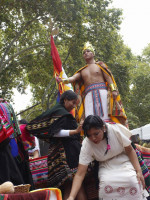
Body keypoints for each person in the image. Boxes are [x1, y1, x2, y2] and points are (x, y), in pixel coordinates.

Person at [67, 115, 148, 200]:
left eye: (96, 134)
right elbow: (80, 174)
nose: (93, 138)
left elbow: (130, 150)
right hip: (105, 165)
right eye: (89, 135)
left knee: (132, 181)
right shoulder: (87, 144)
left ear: (103, 128)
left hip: (123, 159)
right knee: (106, 184)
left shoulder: (114, 130)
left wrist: (138, 171)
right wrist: (71, 197)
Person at [26, 90, 87, 200]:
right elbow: (55, 132)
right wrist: (75, 131)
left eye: (75, 104)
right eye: (73, 103)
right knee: (74, 185)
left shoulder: (56, 111)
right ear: (65, 100)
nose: (73, 106)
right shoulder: (61, 113)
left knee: (72, 186)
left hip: (60, 154)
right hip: (67, 154)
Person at [59, 42, 127, 126]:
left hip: (103, 93)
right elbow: (72, 79)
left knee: (107, 116)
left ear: (93, 53)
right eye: (84, 53)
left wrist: (113, 90)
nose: (85, 53)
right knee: (90, 117)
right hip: (89, 96)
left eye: (88, 51)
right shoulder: (82, 70)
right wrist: (63, 80)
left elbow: (109, 78)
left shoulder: (100, 65)